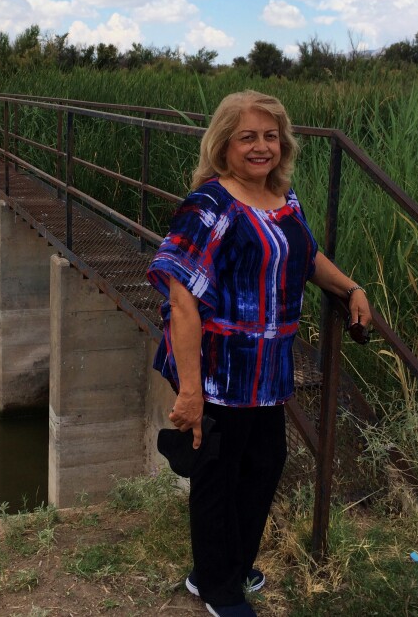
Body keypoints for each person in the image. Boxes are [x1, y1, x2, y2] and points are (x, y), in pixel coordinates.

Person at [147, 90, 371, 617]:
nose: (261, 146)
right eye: (247, 136)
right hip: (221, 371)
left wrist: (351, 288)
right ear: (224, 144)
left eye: (270, 136)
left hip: (269, 372)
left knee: (264, 465)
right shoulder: (211, 207)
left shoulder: (282, 198)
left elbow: (308, 255)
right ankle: (214, 586)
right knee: (217, 478)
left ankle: (233, 561)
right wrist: (189, 390)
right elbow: (180, 296)